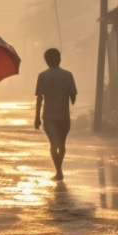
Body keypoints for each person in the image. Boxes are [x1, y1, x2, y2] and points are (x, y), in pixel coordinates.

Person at [34, 48, 77, 181]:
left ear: (46, 61)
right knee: (62, 144)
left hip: (49, 117)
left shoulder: (42, 76)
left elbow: (39, 99)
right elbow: (73, 97)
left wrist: (36, 117)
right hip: (64, 117)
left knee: (54, 144)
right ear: (59, 59)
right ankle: (59, 170)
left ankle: (58, 171)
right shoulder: (68, 75)